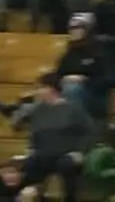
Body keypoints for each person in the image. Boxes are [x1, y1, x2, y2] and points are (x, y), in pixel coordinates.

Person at [14, 73, 93, 202]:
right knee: (30, 164)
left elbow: (88, 132)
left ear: (51, 89)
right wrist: (32, 148)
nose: (37, 92)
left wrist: (80, 151)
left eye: (40, 88)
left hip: (66, 153)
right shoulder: (38, 110)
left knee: (66, 165)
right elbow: (34, 133)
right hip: (44, 153)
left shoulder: (73, 109)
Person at [54, 16, 106, 118]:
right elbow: (58, 74)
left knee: (73, 89)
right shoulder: (69, 54)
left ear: (87, 30)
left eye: (77, 28)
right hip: (67, 91)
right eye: (71, 28)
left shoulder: (97, 51)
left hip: (93, 94)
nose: (73, 31)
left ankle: (74, 124)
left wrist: (83, 79)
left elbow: (104, 80)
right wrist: (63, 79)